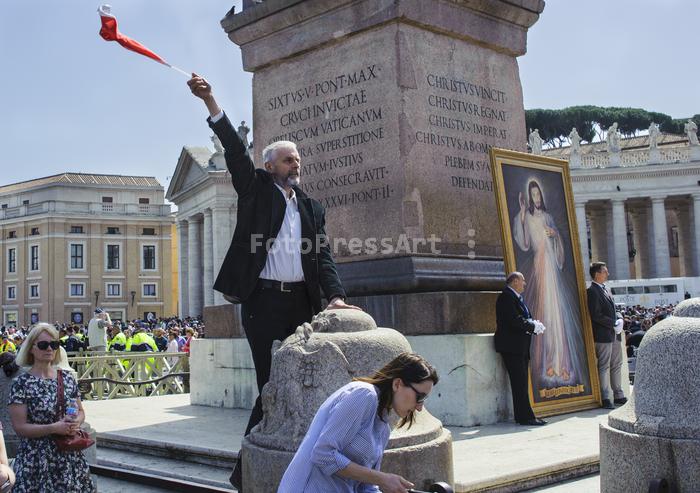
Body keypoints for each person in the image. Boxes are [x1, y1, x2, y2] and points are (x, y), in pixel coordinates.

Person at [187, 74, 360, 488]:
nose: (294, 164)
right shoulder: (256, 190)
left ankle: (289, 463)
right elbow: (233, 149)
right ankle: (248, 472)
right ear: (269, 166)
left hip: (302, 305)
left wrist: (334, 296)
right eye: (286, 160)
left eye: (297, 160)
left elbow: (324, 258)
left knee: (304, 381)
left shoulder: (313, 209)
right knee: (270, 385)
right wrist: (211, 101)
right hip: (263, 304)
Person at [278, 353, 437, 493]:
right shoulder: (364, 394)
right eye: (420, 397)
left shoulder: (383, 428)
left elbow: (367, 487)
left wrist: (383, 482)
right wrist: (382, 479)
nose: (420, 407)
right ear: (397, 384)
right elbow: (322, 455)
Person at [512, 180, 589, 388]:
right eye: (533, 195)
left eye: (538, 195)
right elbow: (525, 242)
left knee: (557, 314)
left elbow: (559, 244)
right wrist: (520, 214)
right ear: (529, 197)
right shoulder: (527, 217)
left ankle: (561, 363)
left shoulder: (549, 218)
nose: (536, 199)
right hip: (540, 265)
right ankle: (548, 361)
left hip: (552, 268)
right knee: (545, 312)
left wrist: (555, 236)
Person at [8, 323, 95, 492]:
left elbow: (81, 411)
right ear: (31, 349)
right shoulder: (21, 383)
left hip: (69, 458)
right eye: (43, 345)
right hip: (36, 460)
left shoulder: (67, 378)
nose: (49, 349)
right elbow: (20, 428)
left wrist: (75, 423)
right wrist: (54, 428)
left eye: (54, 345)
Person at [494, 272, 547, 426]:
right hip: (512, 347)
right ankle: (526, 417)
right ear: (515, 281)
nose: (524, 283)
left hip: (520, 347)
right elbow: (514, 320)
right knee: (519, 383)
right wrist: (531, 326)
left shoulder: (516, 298)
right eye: (523, 280)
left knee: (522, 382)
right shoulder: (506, 297)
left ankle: (524, 415)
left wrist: (533, 324)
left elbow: (524, 317)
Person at [586, 262, 626, 409]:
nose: (607, 274)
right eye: (605, 271)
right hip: (603, 335)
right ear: (597, 274)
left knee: (617, 364)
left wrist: (620, 318)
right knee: (604, 366)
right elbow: (596, 315)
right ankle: (605, 397)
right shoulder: (592, 291)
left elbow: (615, 309)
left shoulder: (605, 289)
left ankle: (618, 394)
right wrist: (613, 323)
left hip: (613, 334)